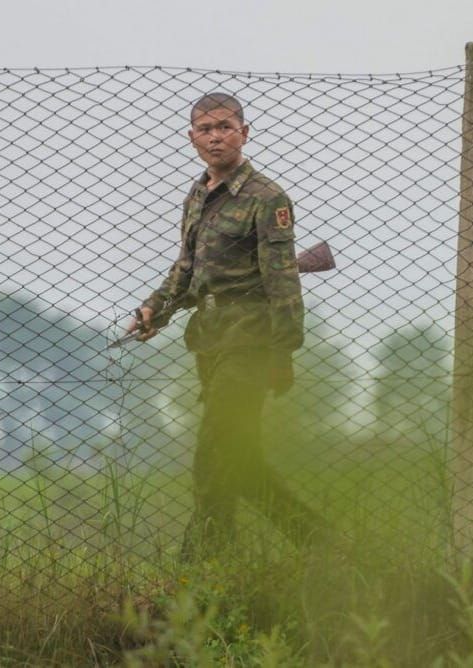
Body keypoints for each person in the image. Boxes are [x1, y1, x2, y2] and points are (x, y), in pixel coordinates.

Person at [127, 92, 327, 559]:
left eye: (224, 126)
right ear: (191, 138)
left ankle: (199, 570)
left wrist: (283, 351)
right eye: (205, 128)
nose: (215, 136)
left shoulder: (266, 197)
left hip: (251, 338)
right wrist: (155, 308)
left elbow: (282, 279)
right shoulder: (198, 194)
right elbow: (187, 268)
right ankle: (323, 546)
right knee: (242, 462)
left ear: (244, 133)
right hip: (211, 338)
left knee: (212, 459)